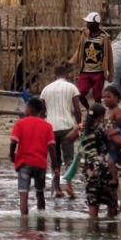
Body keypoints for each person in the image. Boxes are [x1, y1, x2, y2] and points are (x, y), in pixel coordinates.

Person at [9, 96, 58, 216]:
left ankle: (24, 223)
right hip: (40, 164)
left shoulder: (20, 123)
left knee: (23, 194)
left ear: (29, 109)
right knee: (40, 192)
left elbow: (13, 142)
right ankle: (41, 222)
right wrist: (55, 166)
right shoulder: (47, 126)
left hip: (23, 163)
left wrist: (11, 155)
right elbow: (51, 147)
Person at [40, 63, 82, 199]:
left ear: (53, 76)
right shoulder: (71, 87)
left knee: (55, 158)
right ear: (67, 75)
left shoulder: (45, 90)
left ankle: (57, 188)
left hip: (50, 128)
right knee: (69, 158)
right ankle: (69, 185)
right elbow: (77, 108)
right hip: (67, 127)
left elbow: (41, 111)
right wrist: (79, 124)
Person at [78, 102, 118, 220]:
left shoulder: (83, 129)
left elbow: (69, 138)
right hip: (105, 168)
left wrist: (77, 128)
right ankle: (112, 231)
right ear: (101, 116)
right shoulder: (104, 127)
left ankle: (93, 231)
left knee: (93, 202)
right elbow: (117, 141)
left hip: (89, 169)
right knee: (111, 202)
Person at [71, 12, 114, 108]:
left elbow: (109, 56)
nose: (87, 25)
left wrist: (110, 74)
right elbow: (79, 50)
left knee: (97, 96)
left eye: (89, 22)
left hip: (98, 72)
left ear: (96, 23)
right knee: (80, 93)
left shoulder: (104, 38)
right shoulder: (85, 35)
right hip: (85, 71)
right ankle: (88, 110)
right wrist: (72, 61)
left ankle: (97, 113)